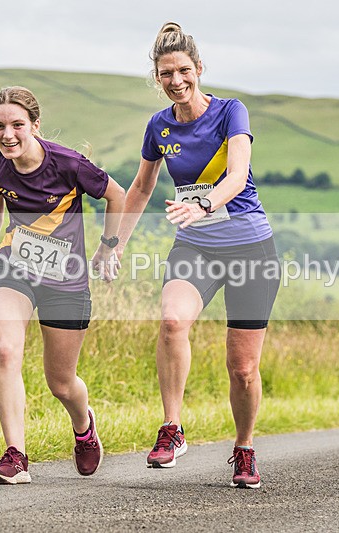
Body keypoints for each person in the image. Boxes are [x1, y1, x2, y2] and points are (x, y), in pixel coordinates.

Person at [115, 22, 280, 488]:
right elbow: (142, 186)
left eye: (184, 70)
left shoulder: (231, 112)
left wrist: (204, 203)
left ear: (199, 69)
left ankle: (244, 448)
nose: (176, 80)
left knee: (243, 368)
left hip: (249, 245)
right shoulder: (159, 126)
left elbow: (236, 174)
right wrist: (115, 245)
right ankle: (172, 427)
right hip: (196, 244)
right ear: (157, 77)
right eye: (166, 73)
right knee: (172, 322)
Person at [0, 86, 125, 485]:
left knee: (61, 382)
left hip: (65, 279)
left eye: (17, 125)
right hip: (14, 268)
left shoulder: (69, 164)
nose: (8, 135)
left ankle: (83, 424)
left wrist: (108, 248)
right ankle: (16, 456)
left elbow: (117, 195)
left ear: (35, 126)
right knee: (6, 349)